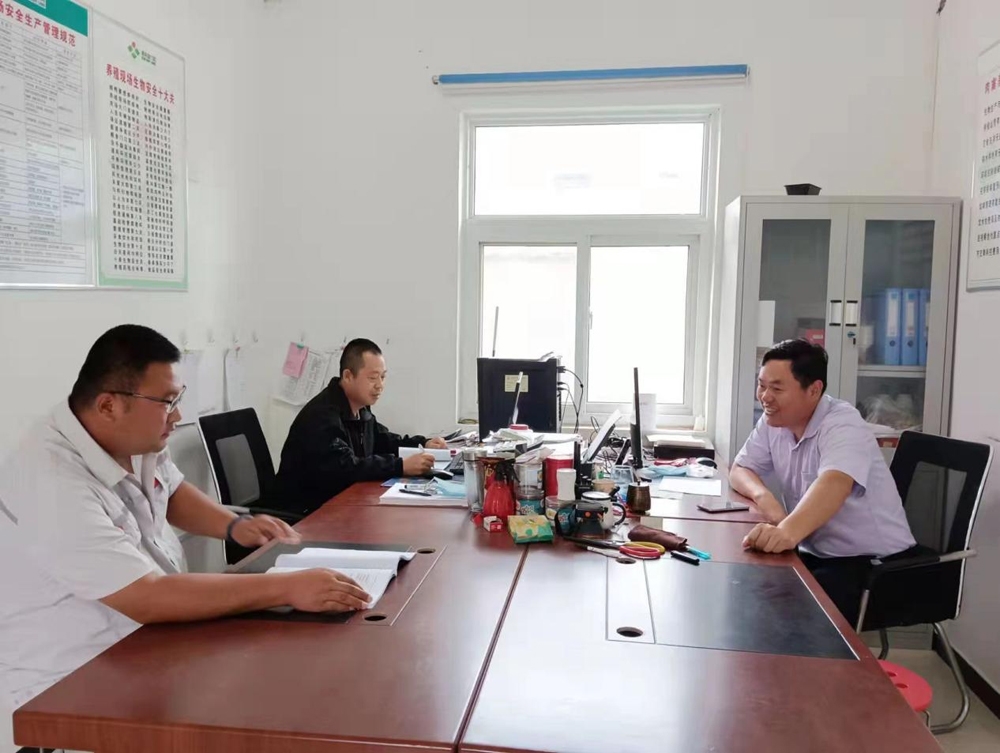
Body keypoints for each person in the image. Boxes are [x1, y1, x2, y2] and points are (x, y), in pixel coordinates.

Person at [0, 325, 371, 751]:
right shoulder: (51, 481)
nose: (177, 416)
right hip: (72, 691)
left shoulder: (131, 435)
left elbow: (170, 489)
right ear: (108, 405)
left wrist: (233, 525)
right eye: (167, 402)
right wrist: (286, 587)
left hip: (147, 649)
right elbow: (146, 596)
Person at [730, 339, 918, 626]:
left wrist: (786, 532)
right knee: (748, 583)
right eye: (761, 385)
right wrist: (767, 501)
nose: (765, 397)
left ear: (814, 390)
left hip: (874, 565)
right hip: (818, 554)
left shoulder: (843, 424)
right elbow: (740, 468)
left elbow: (835, 483)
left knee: (785, 611)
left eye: (777, 389)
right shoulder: (775, 421)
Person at [273, 339, 448, 514]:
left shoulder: (360, 408)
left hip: (341, 504)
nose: (380, 385)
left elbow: (381, 440)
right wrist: (400, 466)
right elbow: (345, 468)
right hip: (304, 514)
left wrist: (423, 443)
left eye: (383, 377)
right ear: (348, 376)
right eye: (372, 378)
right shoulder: (322, 416)